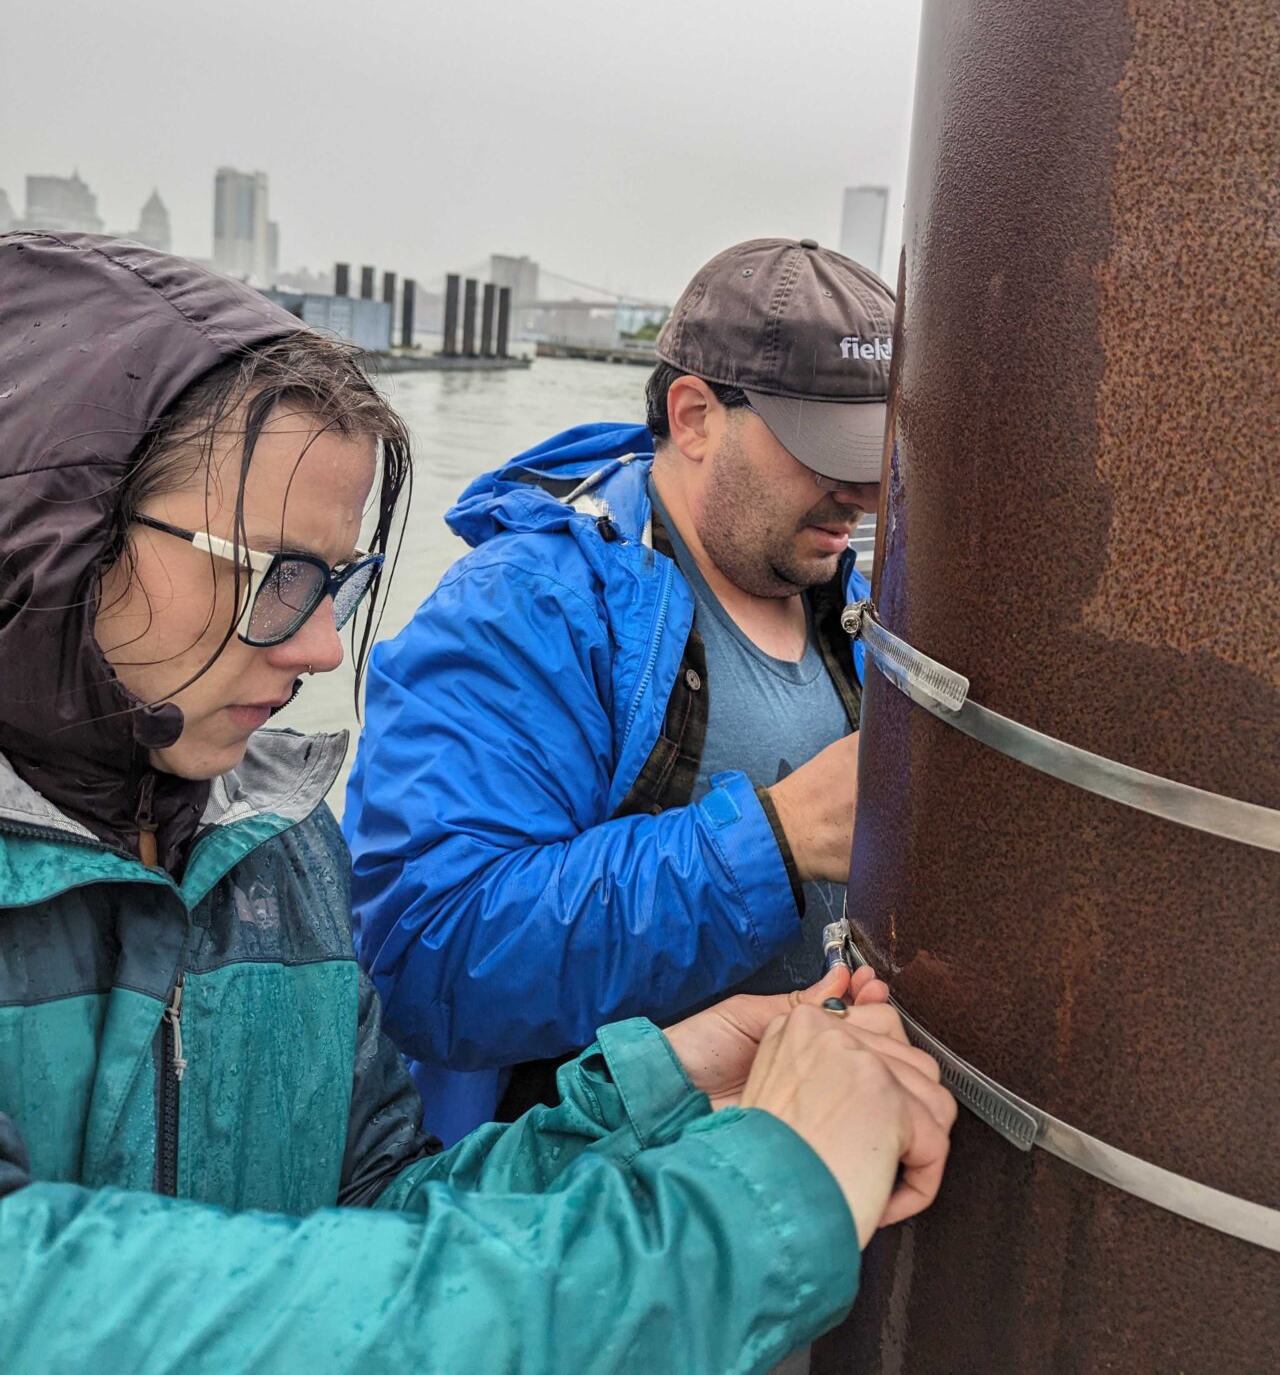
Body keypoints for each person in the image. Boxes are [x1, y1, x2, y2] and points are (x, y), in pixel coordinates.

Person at [0, 232, 955, 1375]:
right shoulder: (527, 610)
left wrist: (655, 1096)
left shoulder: (280, 845)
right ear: (59, 537)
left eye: (340, 582)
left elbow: (385, 1217)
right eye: (273, 573)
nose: (319, 649)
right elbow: (55, 1304)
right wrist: (748, 1200)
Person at [346, 238, 893, 1143]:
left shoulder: (857, 601)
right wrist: (778, 838)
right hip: (579, 1199)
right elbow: (427, 955)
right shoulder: (522, 608)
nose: (862, 496)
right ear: (694, 416)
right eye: (826, 455)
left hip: (798, 1184)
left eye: (877, 459)